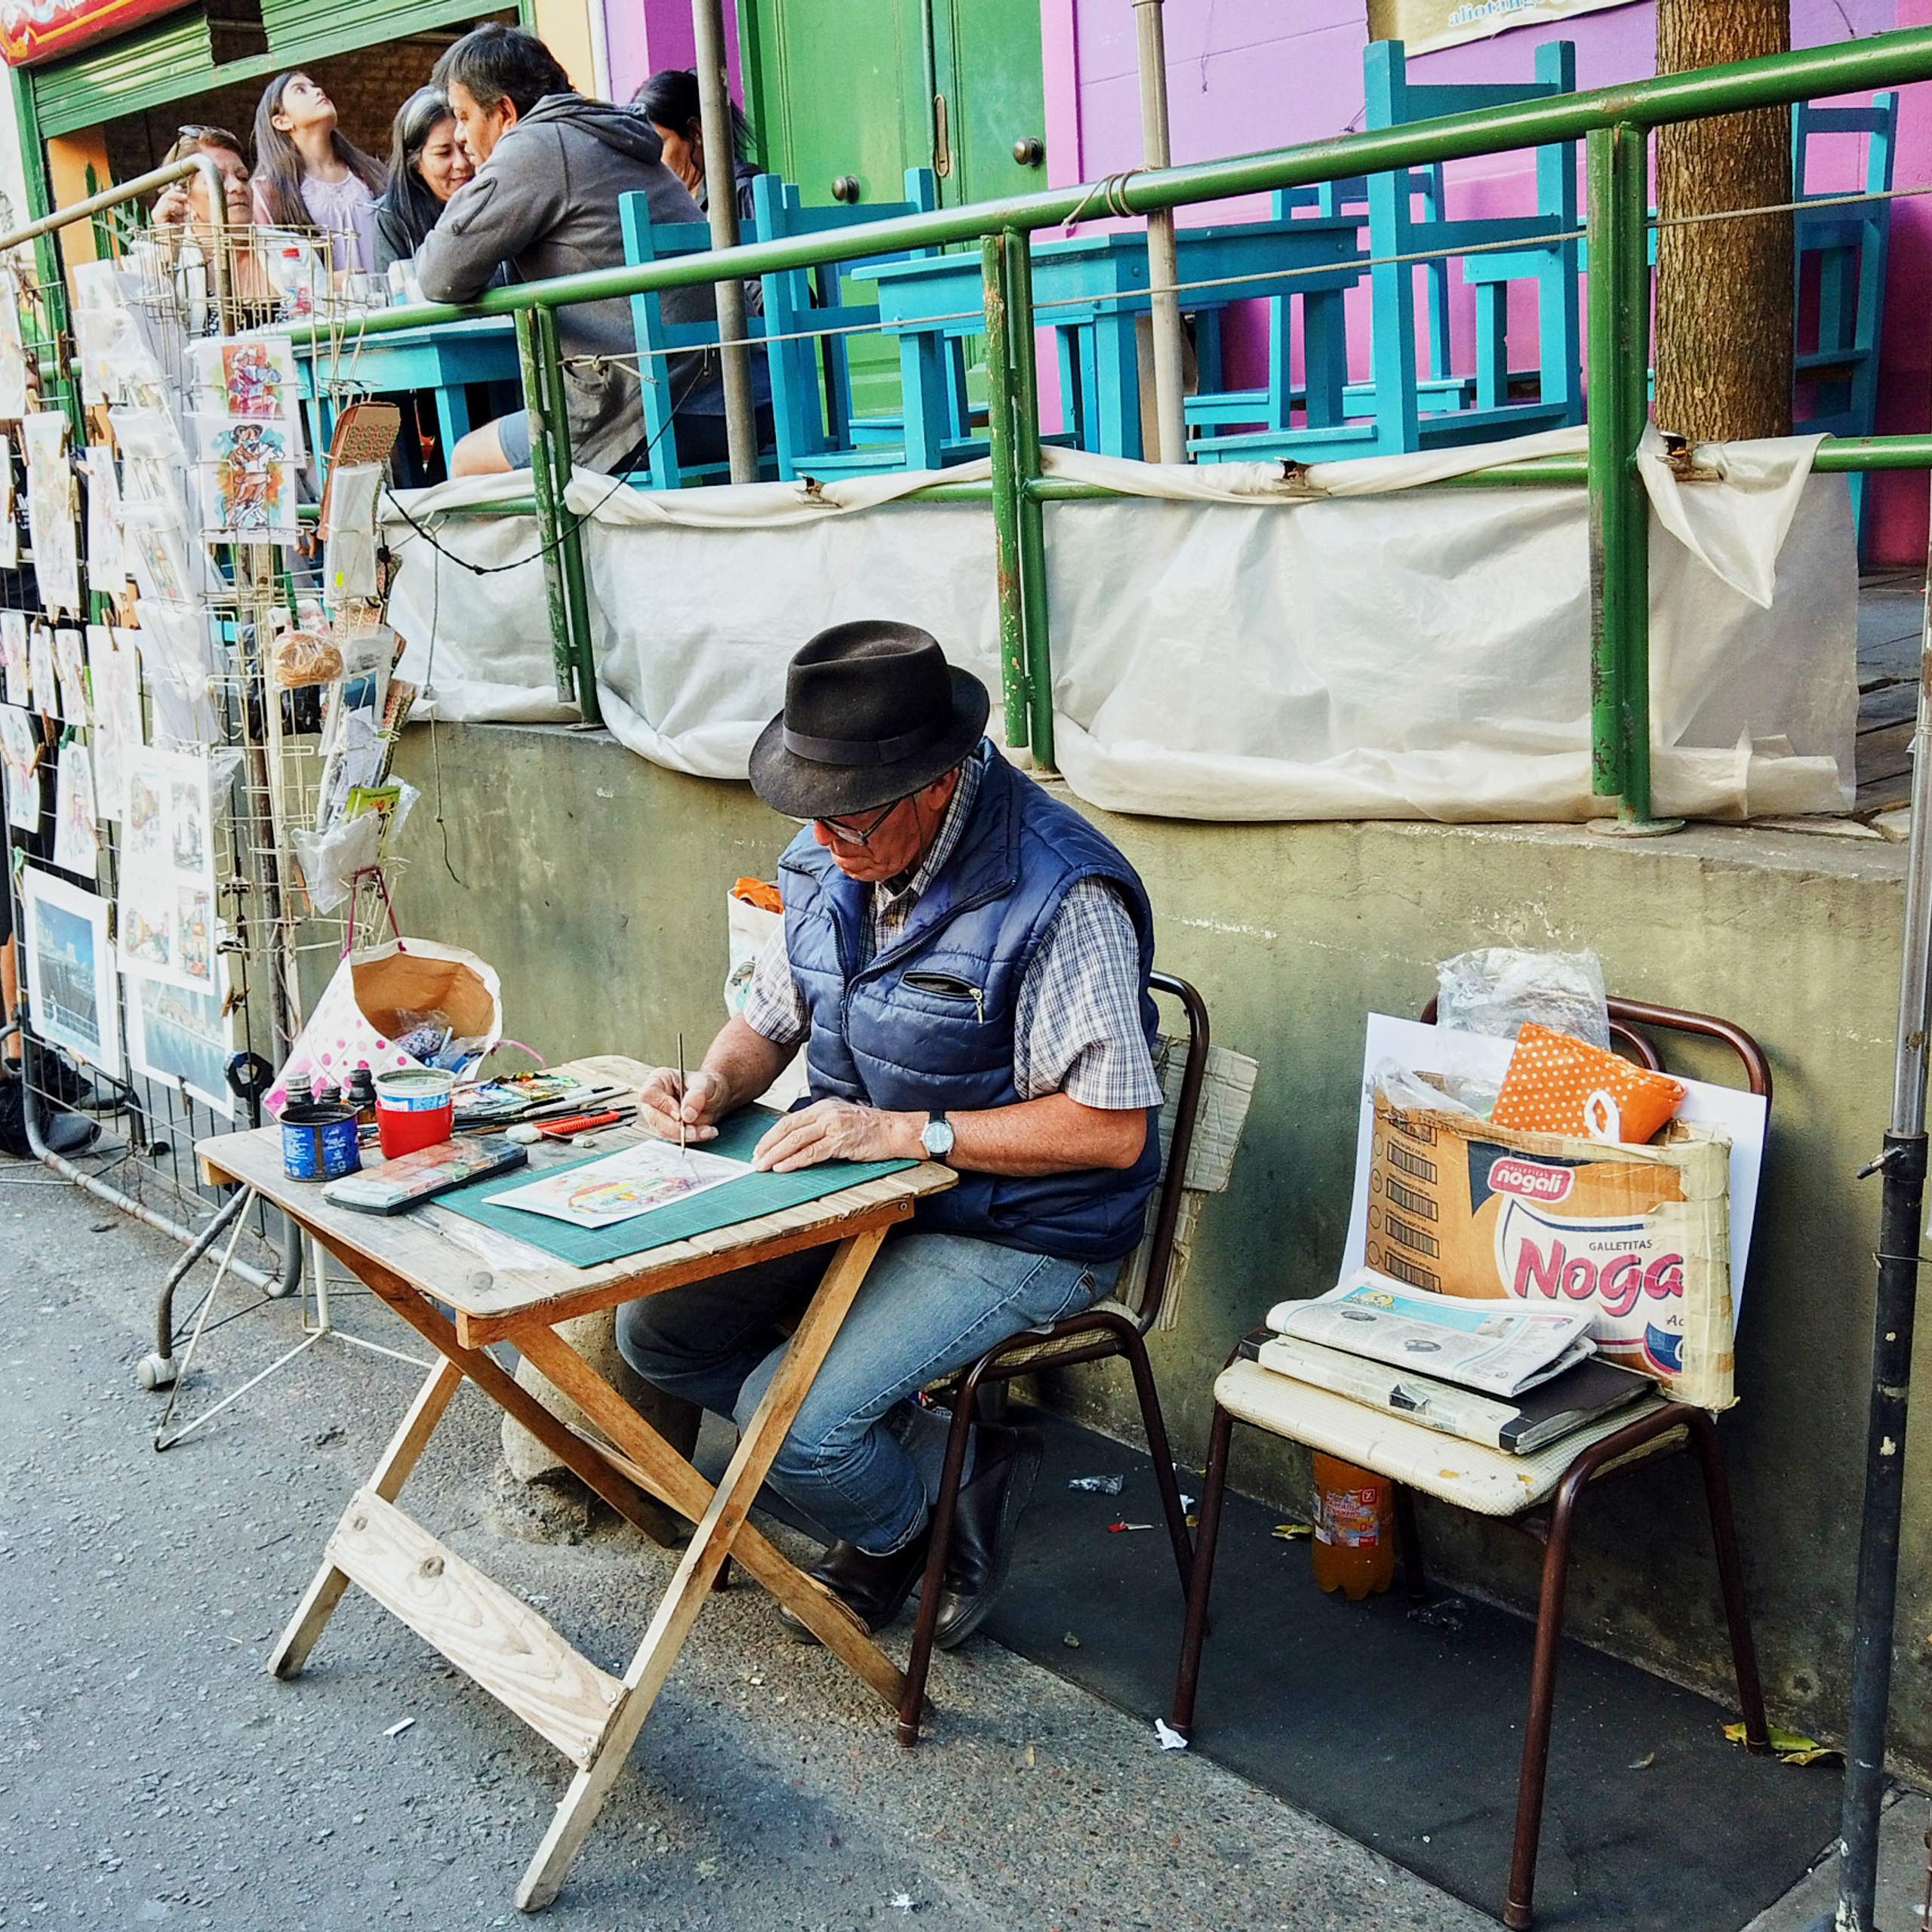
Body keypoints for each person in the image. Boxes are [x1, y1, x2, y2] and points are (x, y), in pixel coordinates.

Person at [619, 622, 1165, 1647]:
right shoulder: (832, 853)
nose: (825, 846)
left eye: (850, 824)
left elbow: (1110, 1132)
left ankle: (901, 1526)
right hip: (872, 1189)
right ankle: (948, 1471)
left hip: (1023, 1223)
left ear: (937, 783)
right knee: (657, 1336)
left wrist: (906, 1131)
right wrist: (714, 1085)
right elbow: (773, 1014)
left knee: (795, 1428)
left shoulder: (1060, 892)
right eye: (809, 815)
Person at [416, 23, 730, 479]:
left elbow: (440, 274)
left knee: (468, 460)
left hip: (650, 410)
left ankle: (558, 554)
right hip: (726, 391)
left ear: (504, 111)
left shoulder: (535, 144)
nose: (461, 137)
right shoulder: (606, 130)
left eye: (464, 117)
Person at [631, 66, 764, 318]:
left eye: (659, 144)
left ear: (695, 132)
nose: (652, 159)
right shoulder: (670, 204)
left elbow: (775, 293)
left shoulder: (741, 192)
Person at [250, 72, 389, 276]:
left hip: (390, 305)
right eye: (300, 90)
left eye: (314, 85)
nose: (318, 91)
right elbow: (269, 275)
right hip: (320, 307)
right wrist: (326, 284)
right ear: (282, 122)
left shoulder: (370, 175)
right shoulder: (267, 193)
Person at [374, 85, 473, 272]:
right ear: (415, 162)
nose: (461, 163)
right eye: (444, 153)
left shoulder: (495, 195)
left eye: (465, 147)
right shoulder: (392, 217)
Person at [151, 125, 252, 235]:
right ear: (183, 198)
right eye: (217, 179)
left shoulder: (273, 246)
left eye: (243, 178)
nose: (238, 186)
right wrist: (168, 245)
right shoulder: (151, 252)